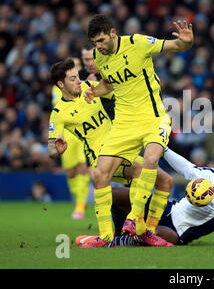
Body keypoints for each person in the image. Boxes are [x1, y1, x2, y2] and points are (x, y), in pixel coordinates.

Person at [83, 14, 193, 247]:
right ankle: (104, 236)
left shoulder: (138, 43)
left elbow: (177, 45)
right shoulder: (99, 57)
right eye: (95, 43)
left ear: (113, 33)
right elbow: (109, 84)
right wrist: (96, 91)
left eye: (102, 40)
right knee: (101, 174)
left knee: (152, 159)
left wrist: (186, 41)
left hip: (153, 118)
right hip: (124, 123)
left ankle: (136, 220)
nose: (99, 47)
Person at [47, 58, 174, 247]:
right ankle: (129, 232)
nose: (78, 81)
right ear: (61, 84)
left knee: (166, 180)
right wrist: (56, 150)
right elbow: (51, 149)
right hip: (100, 156)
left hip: (122, 147)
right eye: (72, 79)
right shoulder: (59, 113)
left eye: (78, 76)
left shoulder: (90, 87)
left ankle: (147, 229)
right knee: (141, 172)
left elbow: (117, 94)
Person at [79, 147, 214, 247]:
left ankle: (115, 242)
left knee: (154, 234)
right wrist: (164, 149)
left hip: (177, 232)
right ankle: (118, 233)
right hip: (167, 209)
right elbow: (186, 167)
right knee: (115, 195)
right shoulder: (208, 175)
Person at [52, 79, 90, 220]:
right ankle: (79, 197)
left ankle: (80, 206)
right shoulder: (57, 88)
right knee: (71, 173)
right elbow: (58, 108)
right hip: (66, 134)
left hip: (83, 132)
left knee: (83, 166)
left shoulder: (83, 86)